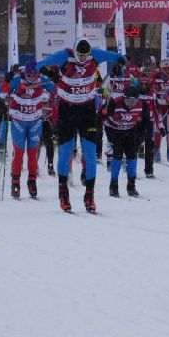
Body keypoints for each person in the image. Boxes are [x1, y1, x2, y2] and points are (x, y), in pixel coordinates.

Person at [37, 39, 124, 213]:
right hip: (67, 110)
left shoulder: (95, 55)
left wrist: (120, 63)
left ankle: (89, 195)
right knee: (66, 153)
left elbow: (118, 56)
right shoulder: (66, 56)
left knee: (91, 154)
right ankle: (63, 193)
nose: (83, 59)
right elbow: (41, 64)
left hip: (87, 110)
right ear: (75, 51)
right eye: (80, 55)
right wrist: (49, 73)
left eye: (86, 55)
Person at [5, 60, 53, 199]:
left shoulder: (42, 79)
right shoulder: (17, 80)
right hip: (18, 121)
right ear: (24, 73)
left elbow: (56, 88)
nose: (31, 77)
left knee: (33, 154)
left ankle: (32, 181)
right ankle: (15, 181)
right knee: (19, 154)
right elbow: (1, 93)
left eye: (34, 74)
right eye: (29, 74)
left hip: (35, 122)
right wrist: (6, 82)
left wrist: (55, 77)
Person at [104, 84, 152, 197]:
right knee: (117, 156)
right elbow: (105, 120)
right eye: (128, 101)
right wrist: (111, 138)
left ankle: (131, 185)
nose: (131, 104)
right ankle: (113, 185)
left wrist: (141, 137)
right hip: (115, 131)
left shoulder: (143, 105)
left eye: (134, 101)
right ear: (123, 98)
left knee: (132, 156)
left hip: (131, 130)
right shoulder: (115, 103)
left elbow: (147, 123)